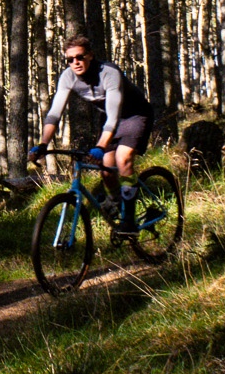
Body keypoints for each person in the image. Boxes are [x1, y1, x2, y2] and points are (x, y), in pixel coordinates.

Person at [29, 35, 153, 232]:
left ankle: (129, 218)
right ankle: (115, 200)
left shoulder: (109, 73)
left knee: (123, 159)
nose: (75, 63)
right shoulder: (67, 77)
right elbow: (54, 113)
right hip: (111, 119)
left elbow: (113, 117)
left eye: (80, 57)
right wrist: (43, 144)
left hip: (134, 115)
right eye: (70, 59)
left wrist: (100, 146)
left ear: (91, 55)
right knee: (105, 170)